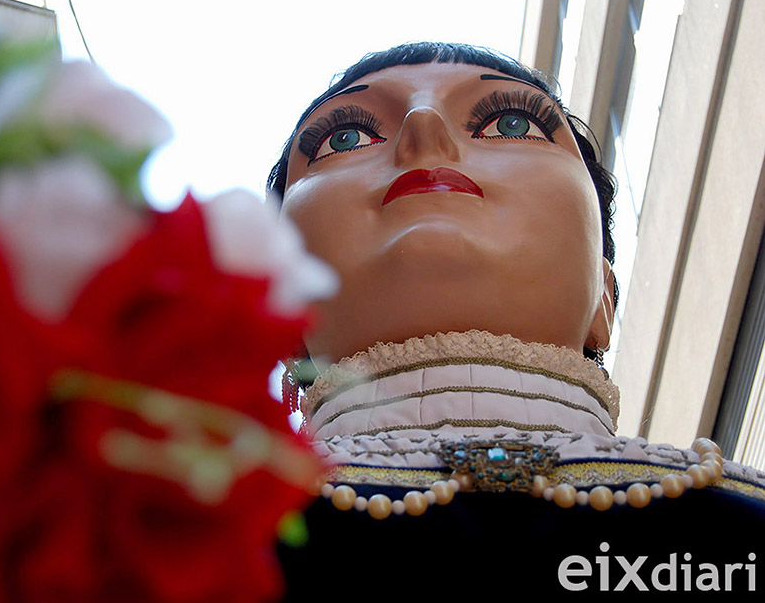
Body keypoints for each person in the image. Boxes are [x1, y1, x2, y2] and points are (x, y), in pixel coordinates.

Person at [269, 43, 765, 599]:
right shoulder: (174, 542)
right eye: (347, 138)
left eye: (509, 121)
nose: (423, 127)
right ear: (280, 317)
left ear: (604, 295)